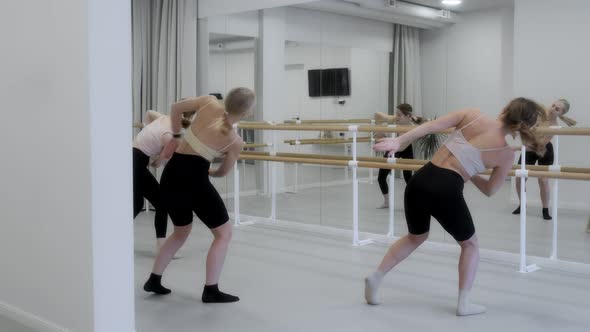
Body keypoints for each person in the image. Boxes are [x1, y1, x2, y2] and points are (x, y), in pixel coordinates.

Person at [366, 97, 546, 316]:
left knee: (416, 236)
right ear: (524, 126)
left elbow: (430, 127)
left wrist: (398, 141)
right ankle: (464, 303)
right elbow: (490, 190)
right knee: (470, 245)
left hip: (420, 180)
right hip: (447, 188)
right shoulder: (506, 154)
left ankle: (376, 276)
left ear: (505, 109)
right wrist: (470, 170)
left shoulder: (472, 114)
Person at [143, 87, 256, 303]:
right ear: (247, 113)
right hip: (194, 180)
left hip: (172, 173)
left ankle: (154, 279)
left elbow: (176, 108)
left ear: (228, 98)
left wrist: (176, 136)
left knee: (180, 232)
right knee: (223, 234)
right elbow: (223, 172)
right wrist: (211, 171)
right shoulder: (235, 140)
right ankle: (211, 290)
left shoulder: (208, 102)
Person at [133, 110, 193, 252]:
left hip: (132, 157)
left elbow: (148, 113)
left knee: (137, 203)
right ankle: (161, 247)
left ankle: (113, 235)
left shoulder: (163, 117)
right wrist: (159, 153)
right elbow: (157, 164)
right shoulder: (169, 136)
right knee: (162, 203)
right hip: (136, 161)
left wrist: (146, 131)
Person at [513, 99, 576, 220]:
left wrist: (521, 147)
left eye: (557, 109)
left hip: (544, 150)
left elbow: (541, 143)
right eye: (553, 105)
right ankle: (522, 205)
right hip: (529, 147)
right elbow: (525, 126)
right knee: (519, 178)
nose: (553, 109)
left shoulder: (555, 126)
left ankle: (545, 209)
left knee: (543, 180)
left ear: (561, 114)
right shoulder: (539, 113)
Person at [374, 104, 426, 209]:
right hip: (393, 148)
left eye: (399, 115)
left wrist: (414, 118)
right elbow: (377, 115)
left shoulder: (413, 127)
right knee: (381, 177)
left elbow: (426, 125)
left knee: (408, 178)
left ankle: (415, 201)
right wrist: (390, 118)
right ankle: (387, 202)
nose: (396, 117)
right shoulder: (393, 124)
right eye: (396, 114)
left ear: (408, 116)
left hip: (406, 149)